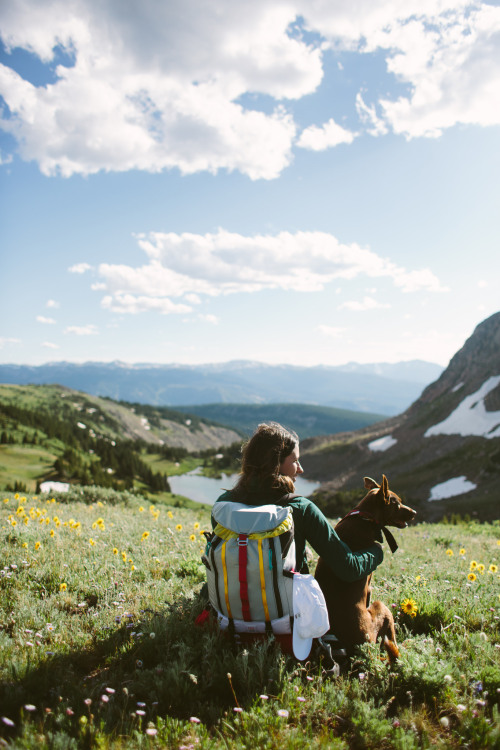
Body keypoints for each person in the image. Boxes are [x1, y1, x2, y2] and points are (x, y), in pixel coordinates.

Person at [213, 421, 383, 581]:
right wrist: (376, 552)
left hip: (230, 605)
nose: (300, 469)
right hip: (285, 609)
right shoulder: (301, 509)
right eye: (295, 461)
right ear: (275, 465)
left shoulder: (224, 504)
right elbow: (348, 568)